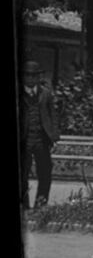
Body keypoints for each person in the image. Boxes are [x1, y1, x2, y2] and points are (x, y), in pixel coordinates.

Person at [20, 61, 60, 208]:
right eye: (27, 75)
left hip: (41, 140)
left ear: (38, 77)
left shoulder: (45, 94)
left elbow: (53, 115)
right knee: (23, 174)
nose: (30, 79)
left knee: (45, 173)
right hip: (25, 140)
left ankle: (40, 205)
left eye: (34, 76)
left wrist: (54, 135)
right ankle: (24, 206)